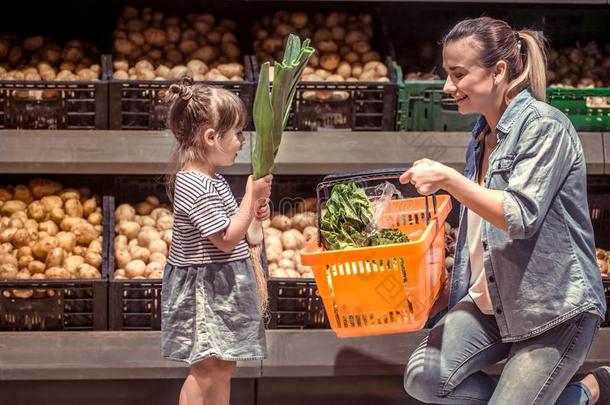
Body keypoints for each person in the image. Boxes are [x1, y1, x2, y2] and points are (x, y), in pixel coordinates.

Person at [400, 17, 609, 404]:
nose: (448, 87)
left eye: (458, 74)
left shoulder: (546, 128)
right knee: (424, 378)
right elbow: (480, 224)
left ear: (497, 72)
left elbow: (518, 216)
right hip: (491, 302)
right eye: (448, 74)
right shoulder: (481, 135)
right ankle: (568, 397)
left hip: (554, 311)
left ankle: (589, 390)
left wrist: (448, 179)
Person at [161, 78, 273, 405]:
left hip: (222, 282)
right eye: (237, 133)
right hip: (203, 289)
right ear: (211, 137)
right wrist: (250, 195)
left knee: (225, 365)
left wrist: (253, 209)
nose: (241, 141)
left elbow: (235, 227)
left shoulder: (213, 179)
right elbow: (225, 238)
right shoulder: (193, 184)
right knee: (206, 369)